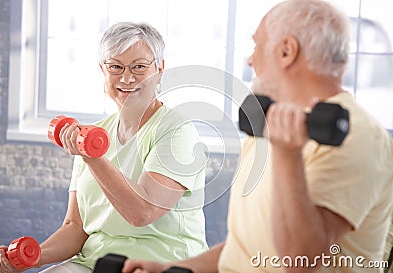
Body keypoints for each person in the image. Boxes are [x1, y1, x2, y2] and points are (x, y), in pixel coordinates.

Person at [121, 0, 393, 272]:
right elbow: (244, 251)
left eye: (257, 45)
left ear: (287, 51)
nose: (251, 60)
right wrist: (171, 269)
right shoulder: (267, 129)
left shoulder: (356, 135)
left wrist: (287, 154)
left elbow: (300, 259)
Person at [0, 22, 208, 273]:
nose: (126, 78)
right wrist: (31, 259)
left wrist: (92, 158)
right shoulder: (92, 135)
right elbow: (75, 227)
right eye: (115, 66)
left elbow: (143, 213)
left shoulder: (177, 132)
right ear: (102, 71)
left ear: (159, 69)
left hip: (160, 263)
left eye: (139, 66)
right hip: (95, 262)